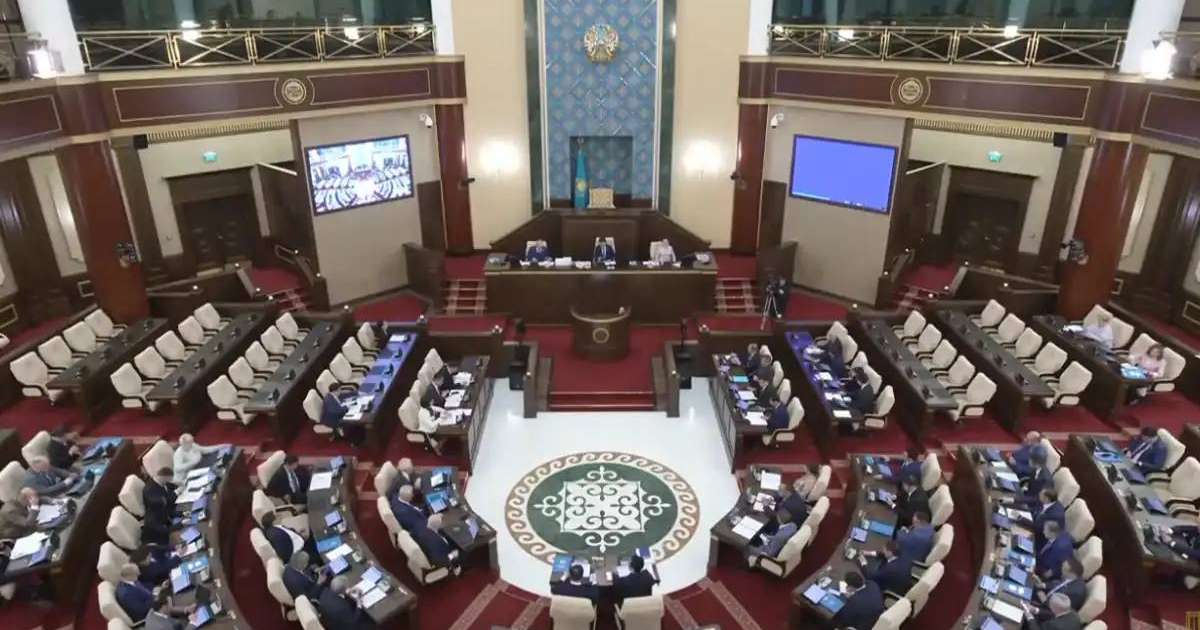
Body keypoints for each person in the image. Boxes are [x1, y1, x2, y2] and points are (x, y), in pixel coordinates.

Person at [142, 467, 176, 546]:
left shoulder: (161, 483)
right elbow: (165, 530)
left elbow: (168, 510)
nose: (169, 481)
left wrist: (183, 513)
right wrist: (182, 524)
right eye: (168, 479)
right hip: (160, 540)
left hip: (167, 524)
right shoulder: (151, 519)